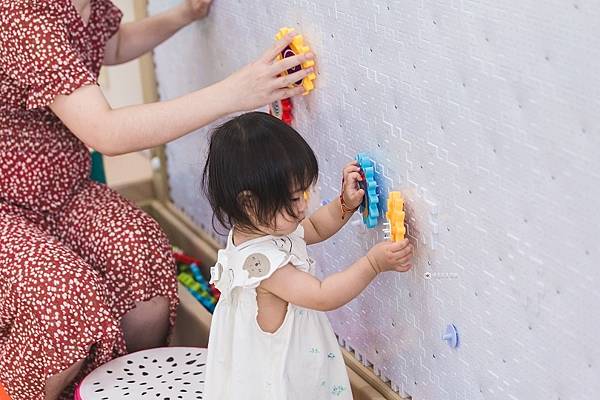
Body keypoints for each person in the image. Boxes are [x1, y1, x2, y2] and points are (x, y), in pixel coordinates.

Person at [0, 0, 314, 399]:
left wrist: (183, 15)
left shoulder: (83, 5)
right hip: (7, 207)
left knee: (143, 255)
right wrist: (236, 91)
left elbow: (110, 45)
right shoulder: (25, 18)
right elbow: (106, 133)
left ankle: (108, 388)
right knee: (66, 301)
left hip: (65, 190)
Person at [202, 112, 414, 399]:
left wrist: (345, 204)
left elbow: (314, 226)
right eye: (293, 199)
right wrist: (373, 263)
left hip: (280, 364)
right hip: (278, 382)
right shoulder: (266, 266)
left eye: (305, 192)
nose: (304, 205)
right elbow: (322, 295)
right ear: (249, 203)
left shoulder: (261, 229)